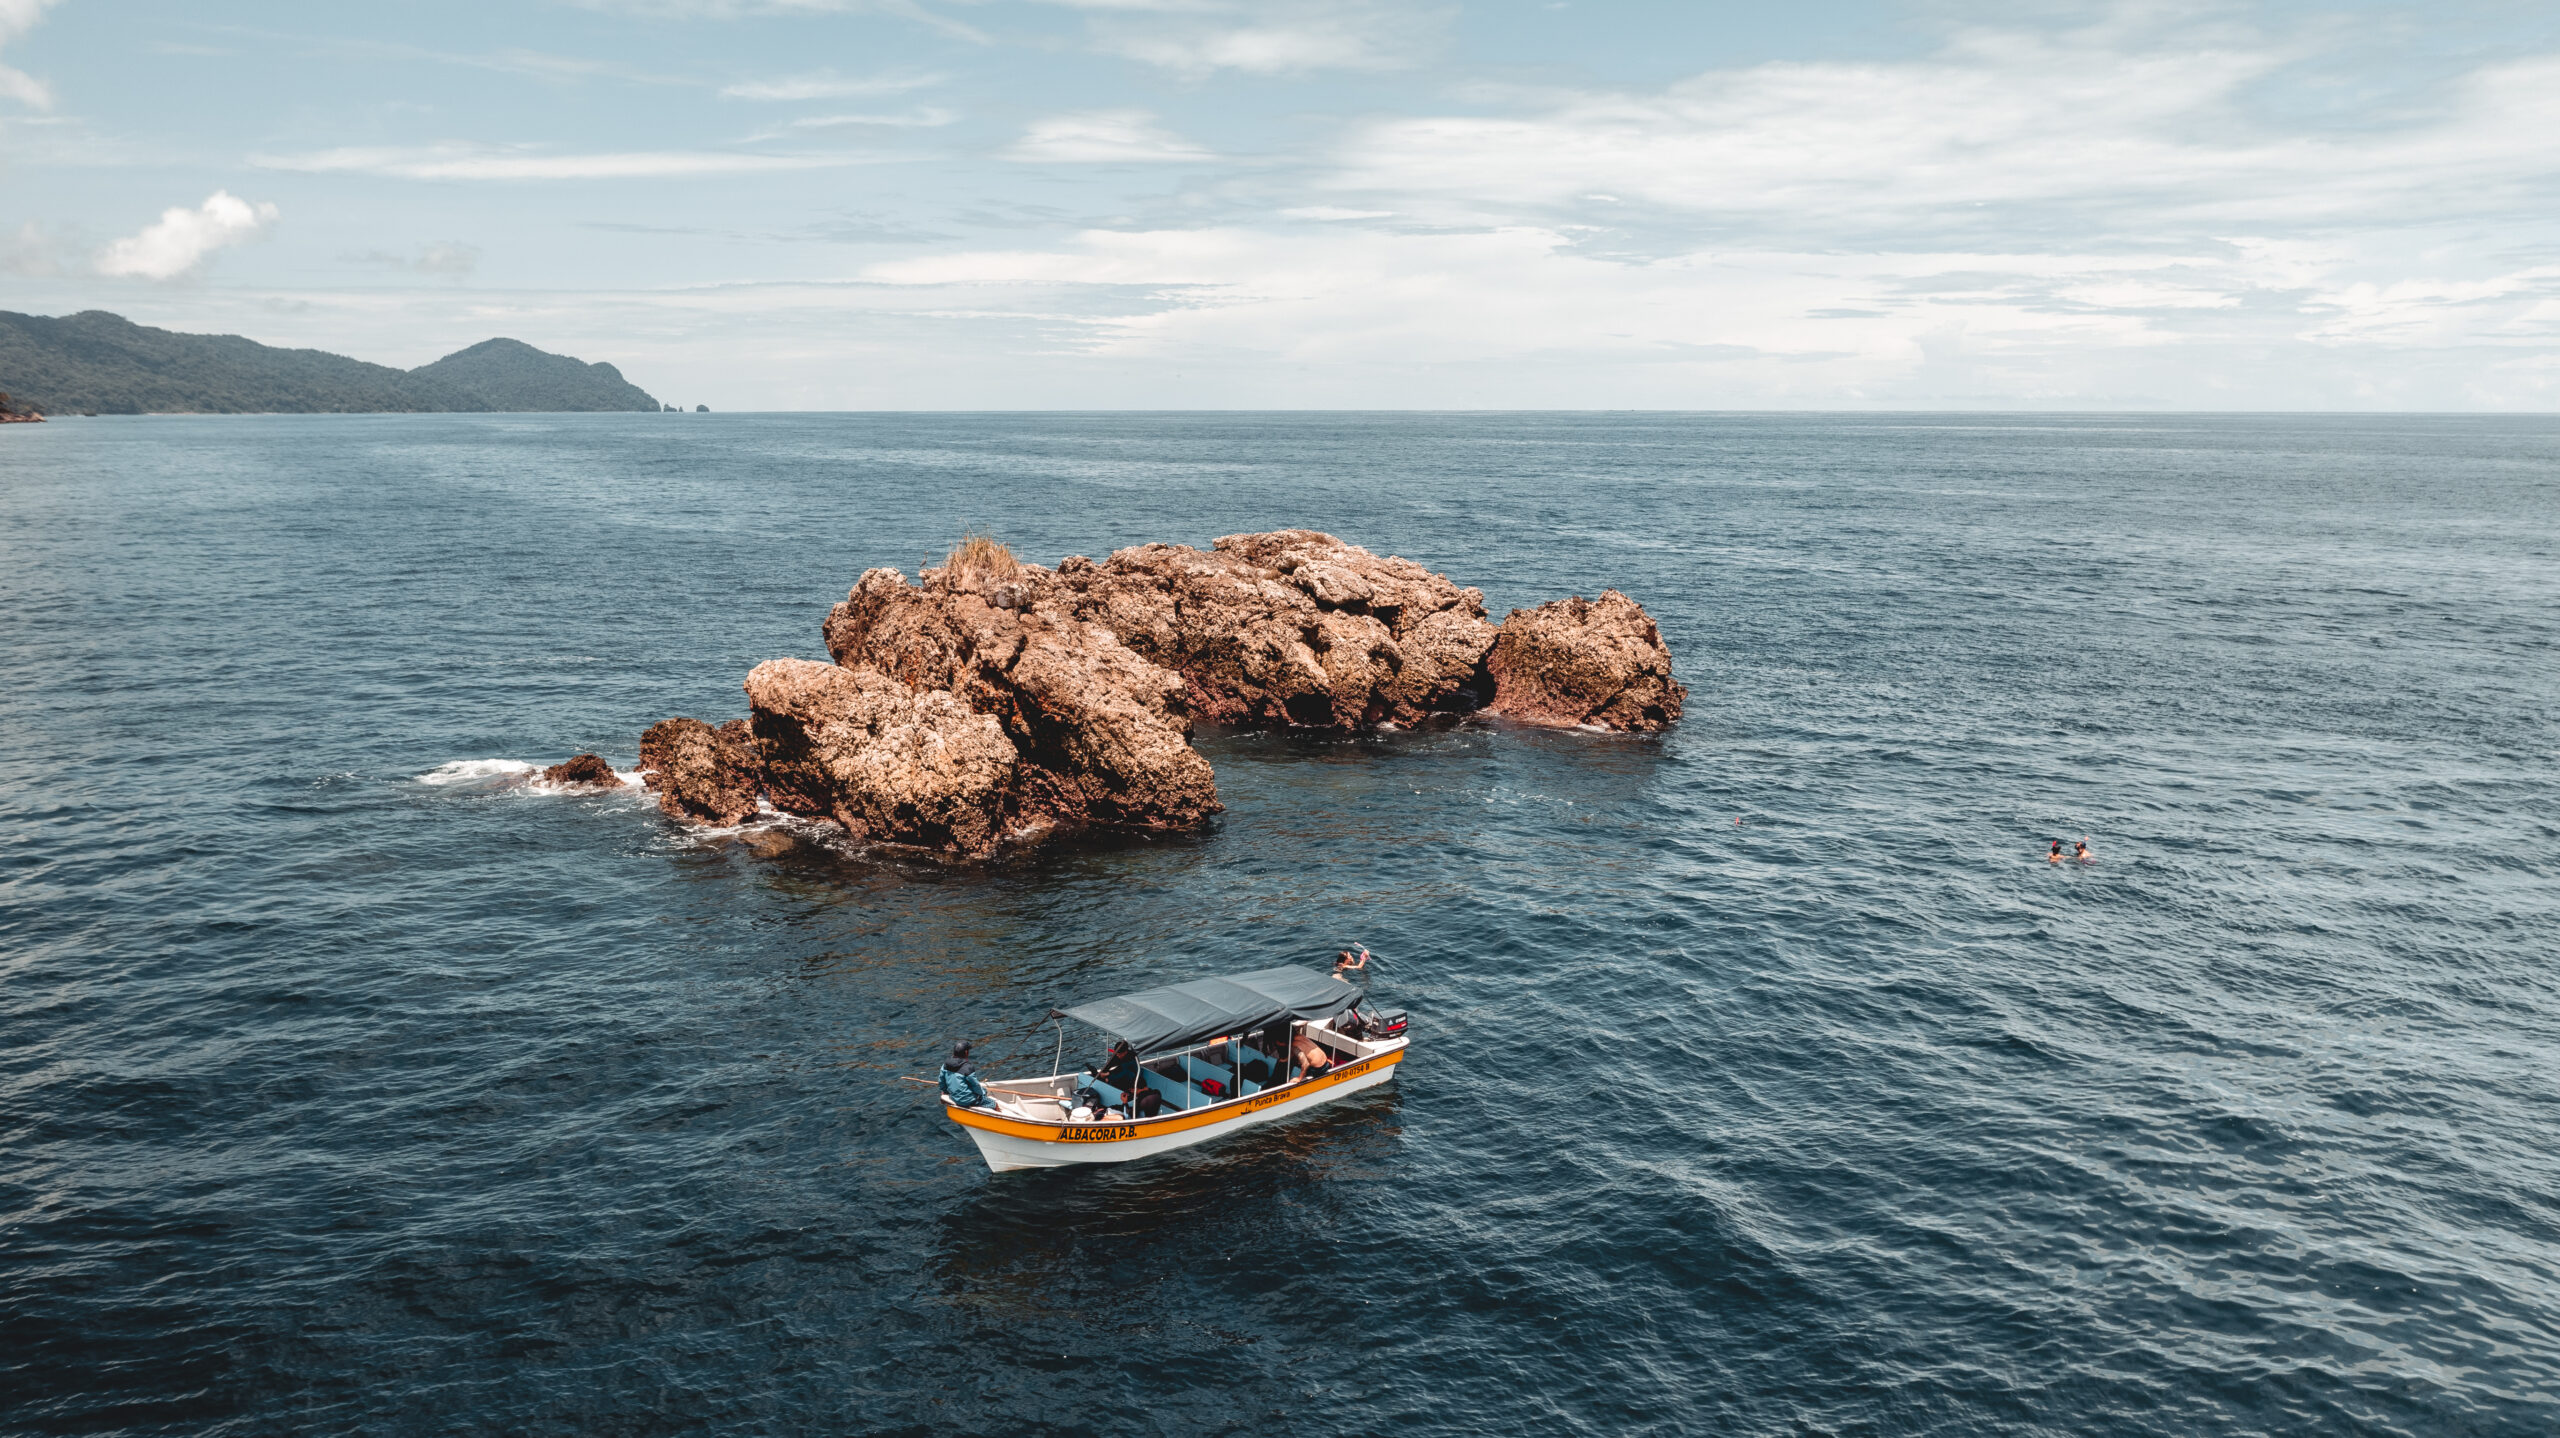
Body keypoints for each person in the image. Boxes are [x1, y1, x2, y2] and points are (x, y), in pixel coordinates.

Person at [939, 1041, 997, 1110]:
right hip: (968, 1100)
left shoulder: (945, 1064)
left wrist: (945, 1091)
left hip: (953, 1097)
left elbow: (941, 1080)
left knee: (982, 1090)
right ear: (966, 1052)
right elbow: (976, 1086)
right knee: (993, 1103)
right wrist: (982, 1094)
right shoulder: (968, 1068)